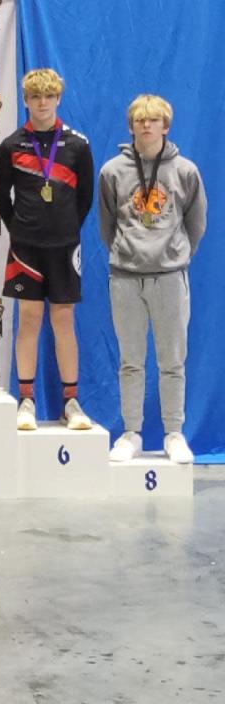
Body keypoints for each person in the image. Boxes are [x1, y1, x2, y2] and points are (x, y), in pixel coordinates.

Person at [98, 94, 206, 464]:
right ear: (130, 126)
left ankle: (174, 433)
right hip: (125, 278)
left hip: (170, 277)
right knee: (131, 360)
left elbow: (196, 223)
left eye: (154, 120)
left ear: (166, 126)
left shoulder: (186, 171)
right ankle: (132, 433)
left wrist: (174, 256)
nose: (146, 126)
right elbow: (106, 224)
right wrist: (127, 253)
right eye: (140, 120)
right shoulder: (112, 171)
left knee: (172, 361)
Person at [0, 69, 94, 431]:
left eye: (49, 97)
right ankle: (27, 401)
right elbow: (1, 197)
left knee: (63, 320)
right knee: (30, 320)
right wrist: (21, 228)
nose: (42, 103)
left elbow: (85, 200)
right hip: (26, 247)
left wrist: (65, 229)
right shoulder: (12, 145)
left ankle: (71, 402)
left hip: (65, 246)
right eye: (35, 97)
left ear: (58, 99)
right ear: (26, 100)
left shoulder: (78, 145)